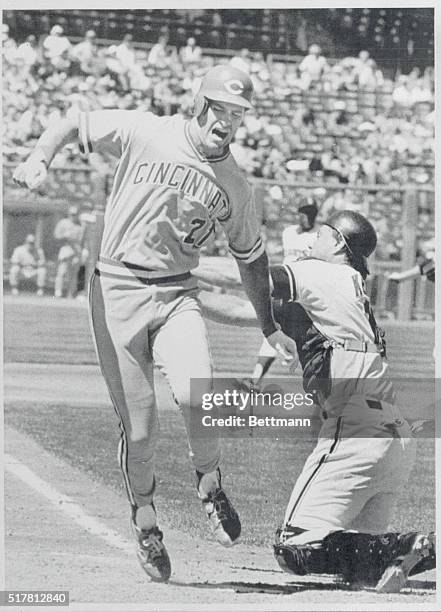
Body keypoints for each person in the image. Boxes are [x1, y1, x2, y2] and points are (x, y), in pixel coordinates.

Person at [13, 63, 296, 584]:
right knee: (141, 430)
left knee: (199, 398)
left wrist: (269, 324)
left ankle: (210, 484)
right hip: (115, 287)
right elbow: (74, 123)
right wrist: (38, 158)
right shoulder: (147, 130)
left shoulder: (234, 185)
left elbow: (251, 260)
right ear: (199, 102)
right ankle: (146, 523)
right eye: (220, 109)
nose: (227, 122)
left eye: (237, 114)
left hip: (176, 291)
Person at [196, 210, 436, 593]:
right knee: (360, 566)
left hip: (355, 432)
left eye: (321, 236)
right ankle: (404, 550)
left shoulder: (322, 273)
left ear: (339, 244)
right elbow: (248, 310)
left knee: (295, 547)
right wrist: (183, 295)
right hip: (396, 442)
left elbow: (248, 274)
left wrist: (175, 268)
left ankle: (411, 546)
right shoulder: (343, 288)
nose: (311, 243)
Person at [53, 205, 84, 298]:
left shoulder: (80, 225)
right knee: (62, 272)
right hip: (66, 248)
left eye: (75, 214)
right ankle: (58, 292)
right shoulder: (63, 223)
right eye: (71, 214)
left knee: (73, 274)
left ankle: (71, 293)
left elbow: (82, 240)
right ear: (68, 214)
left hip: (76, 250)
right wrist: (64, 236)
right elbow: (56, 236)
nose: (73, 216)